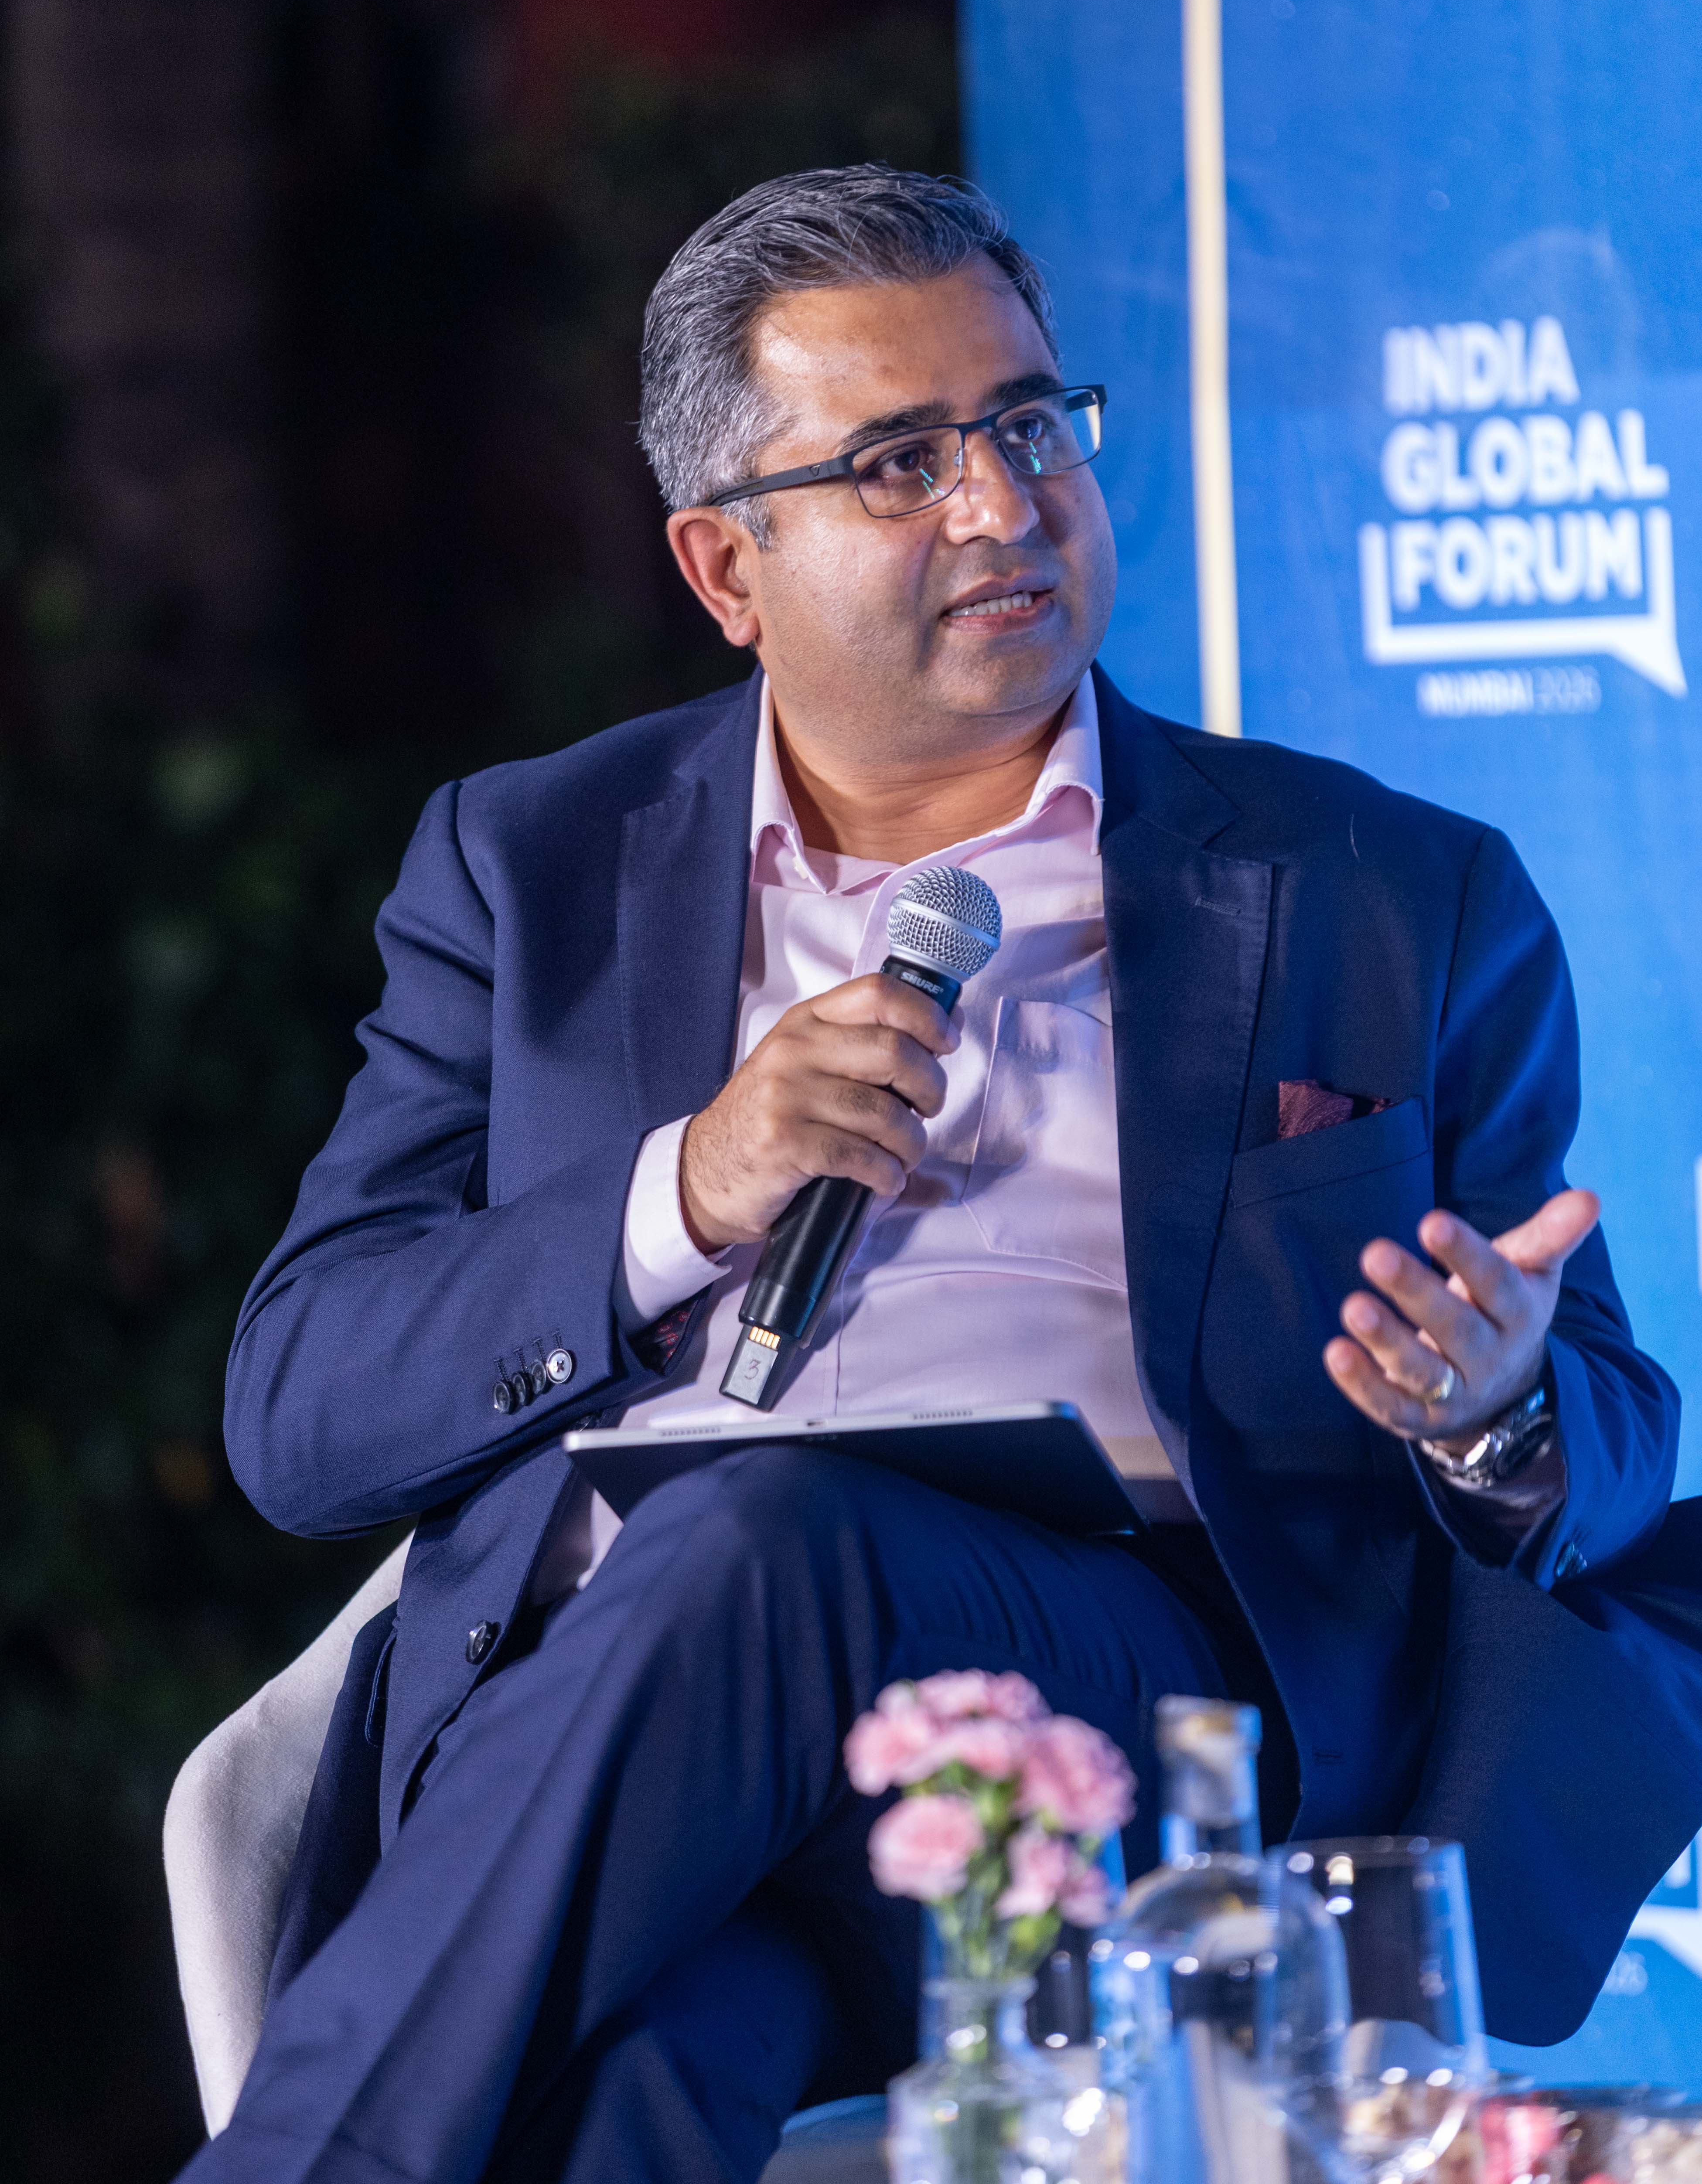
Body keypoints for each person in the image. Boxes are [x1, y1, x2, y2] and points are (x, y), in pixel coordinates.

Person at [183, 169, 1702, 2184]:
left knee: (765, 1533)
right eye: (899, 462)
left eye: (1026, 424)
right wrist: (686, 1191)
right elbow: (305, 1413)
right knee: (630, 2081)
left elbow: (1608, 1435)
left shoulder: (1378, 889)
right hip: (644, 1777)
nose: (1001, 504)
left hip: (1123, 1733)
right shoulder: (526, 868)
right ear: (725, 565)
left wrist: (1489, 1404)